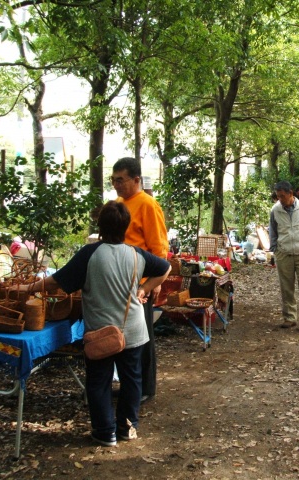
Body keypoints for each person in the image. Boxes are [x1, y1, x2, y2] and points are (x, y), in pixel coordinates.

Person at [19, 201, 171, 446]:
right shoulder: (136, 254)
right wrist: (144, 288)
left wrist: (28, 288)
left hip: (100, 332)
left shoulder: (90, 254)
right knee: (132, 379)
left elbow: (55, 282)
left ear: (100, 227)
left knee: (99, 381)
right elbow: (165, 267)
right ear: (126, 227)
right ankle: (127, 428)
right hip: (133, 329)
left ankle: (104, 432)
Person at [113, 157, 169, 403]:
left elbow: (159, 248)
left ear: (136, 180)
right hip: (118, 280)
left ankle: (146, 387)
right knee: (121, 336)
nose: (117, 185)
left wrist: (154, 283)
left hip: (141, 282)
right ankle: (127, 382)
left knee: (142, 337)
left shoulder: (147, 205)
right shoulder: (117, 203)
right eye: (114, 180)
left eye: (121, 180)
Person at [269, 181, 299, 330]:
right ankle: (289, 317)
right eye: (278, 196)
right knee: (286, 287)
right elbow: (272, 231)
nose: (280, 199)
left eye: (282, 196)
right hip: (284, 253)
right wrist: (275, 249)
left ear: (291, 193)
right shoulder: (275, 210)